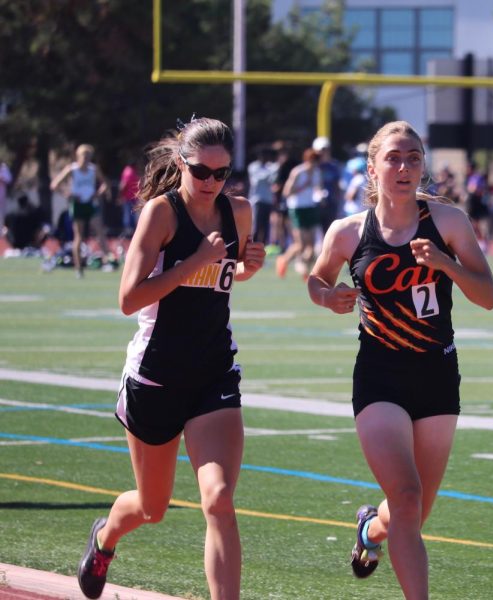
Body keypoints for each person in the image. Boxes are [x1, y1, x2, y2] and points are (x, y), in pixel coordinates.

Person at [75, 117, 266, 600]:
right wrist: (192, 263)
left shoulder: (238, 212)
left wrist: (246, 268)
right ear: (181, 163)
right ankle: (104, 538)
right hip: (155, 375)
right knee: (152, 507)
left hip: (213, 371)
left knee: (219, 500)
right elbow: (128, 298)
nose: (211, 183)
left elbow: (229, 272)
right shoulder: (161, 214)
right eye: (202, 172)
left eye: (222, 174)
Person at [306, 121, 493, 599]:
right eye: (393, 157)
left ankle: (370, 531)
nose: (404, 167)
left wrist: (446, 265)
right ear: (373, 168)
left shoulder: (448, 222)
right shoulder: (349, 232)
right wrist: (329, 298)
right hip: (380, 378)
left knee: (412, 511)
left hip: (437, 375)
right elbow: (316, 279)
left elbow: (489, 296)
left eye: (413, 158)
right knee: (408, 498)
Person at [50, 143, 110, 278]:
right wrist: (68, 194)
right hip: (77, 205)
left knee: (99, 231)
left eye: (89, 156)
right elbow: (54, 185)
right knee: (79, 236)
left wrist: (98, 193)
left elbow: (104, 184)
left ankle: (109, 261)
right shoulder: (72, 169)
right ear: (78, 156)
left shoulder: (93, 170)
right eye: (84, 155)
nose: (86, 159)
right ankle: (78, 268)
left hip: (90, 203)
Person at [276, 148, 324, 280]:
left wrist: (320, 195)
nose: (314, 164)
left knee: (312, 245)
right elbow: (287, 192)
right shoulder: (298, 172)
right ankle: (284, 260)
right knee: (300, 244)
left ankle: (306, 272)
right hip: (297, 209)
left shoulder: (317, 172)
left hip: (311, 208)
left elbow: (318, 188)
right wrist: (303, 185)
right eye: (312, 161)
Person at [246, 146, 279, 245]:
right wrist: (271, 171)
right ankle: (252, 246)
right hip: (257, 200)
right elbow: (257, 180)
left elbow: (273, 180)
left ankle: (262, 248)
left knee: (265, 227)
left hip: (268, 200)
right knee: (256, 226)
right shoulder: (253, 166)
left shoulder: (271, 167)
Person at [117, 156, 142, 239]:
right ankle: (128, 232)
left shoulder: (132, 171)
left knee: (132, 215)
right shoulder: (129, 171)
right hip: (129, 198)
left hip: (134, 197)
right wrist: (120, 196)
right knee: (128, 215)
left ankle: (131, 231)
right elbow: (123, 185)